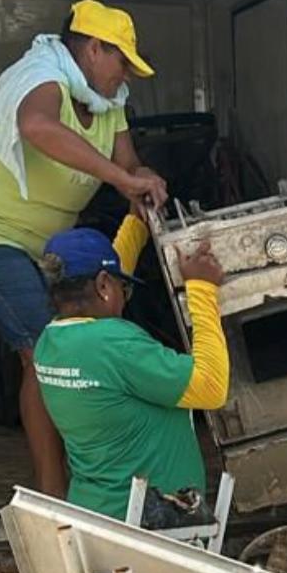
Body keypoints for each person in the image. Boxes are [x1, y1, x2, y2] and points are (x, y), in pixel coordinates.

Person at [0, 0, 167, 498]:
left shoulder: (109, 101)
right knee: (45, 350)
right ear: (93, 48)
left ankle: (81, 478)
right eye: (121, 61)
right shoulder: (41, 74)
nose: (125, 75)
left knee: (72, 340)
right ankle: (53, 495)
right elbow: (36, 127)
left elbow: (129, 161)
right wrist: (120, 179)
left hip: (39, 246)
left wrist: (143, 179)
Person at [33, 214, 229, 520]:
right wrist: (202, 289)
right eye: (124, 289)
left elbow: (107, 271)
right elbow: (211, 387)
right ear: (103, 285)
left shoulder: (50, 341)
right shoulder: (115, 343)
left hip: (94, 513)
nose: (124, 300)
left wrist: (137, 222)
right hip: (147, 522)